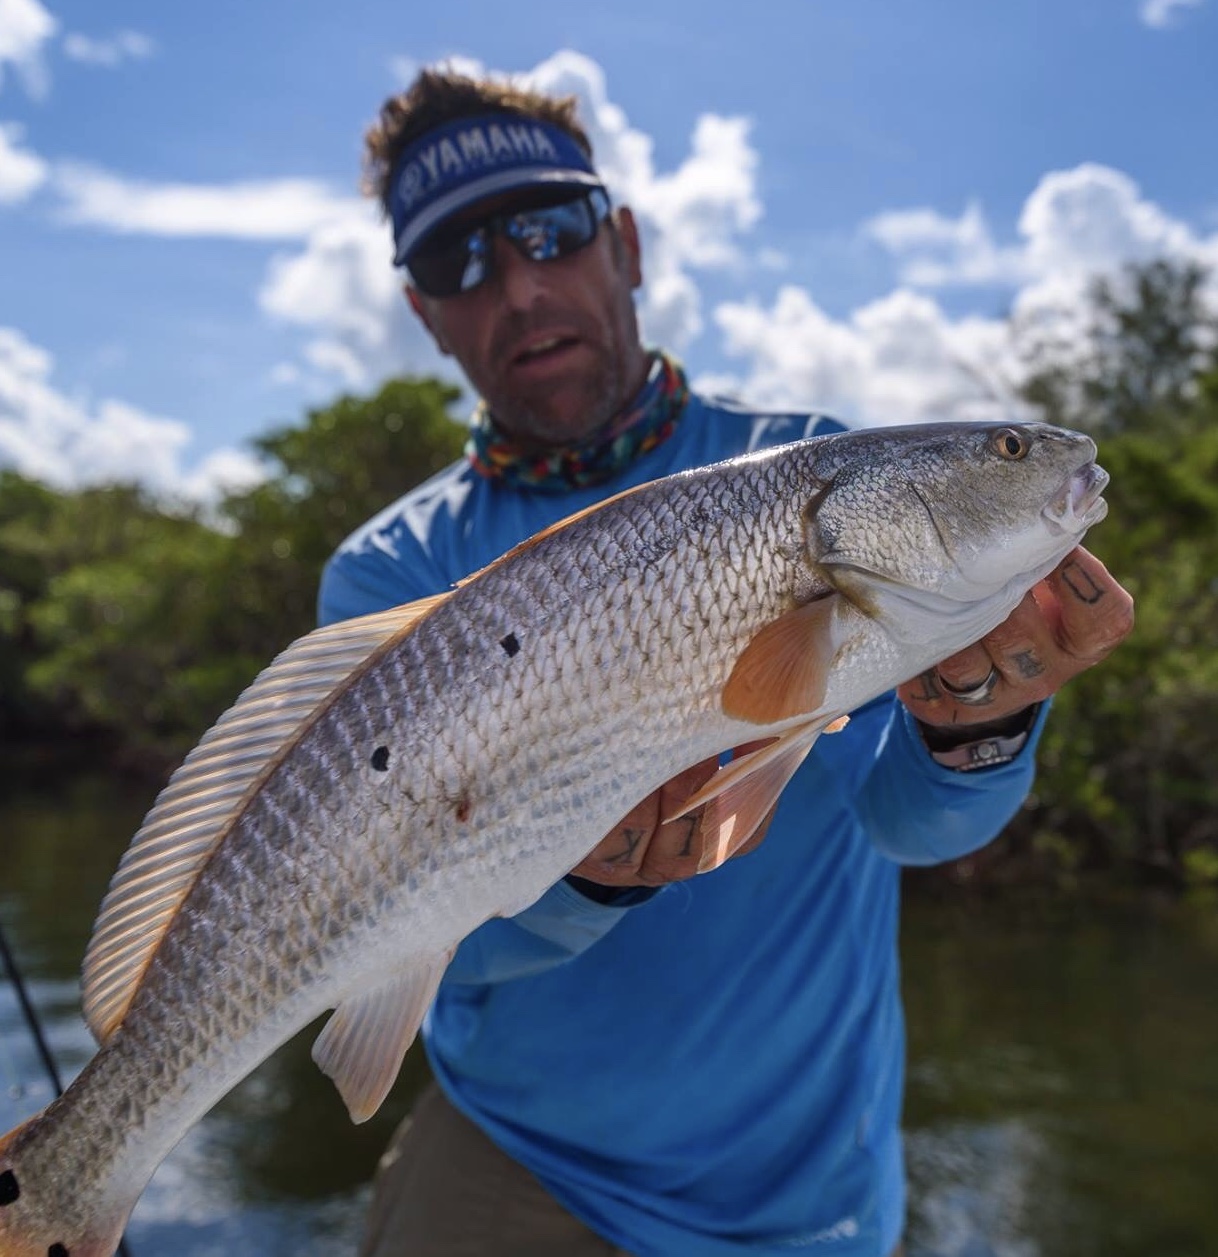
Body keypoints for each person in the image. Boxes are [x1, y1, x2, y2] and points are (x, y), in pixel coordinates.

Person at [318, 69, 1133, 1257]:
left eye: (550, 233)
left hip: (806, 1193)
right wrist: (584, 884)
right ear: (422, 312)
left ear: (627, 244)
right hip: (517, 1163)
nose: (521, 287)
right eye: (459, 264)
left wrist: (977, 723)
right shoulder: (394, 575)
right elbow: (384, 927)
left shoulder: (812, 467)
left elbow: (914, 827)